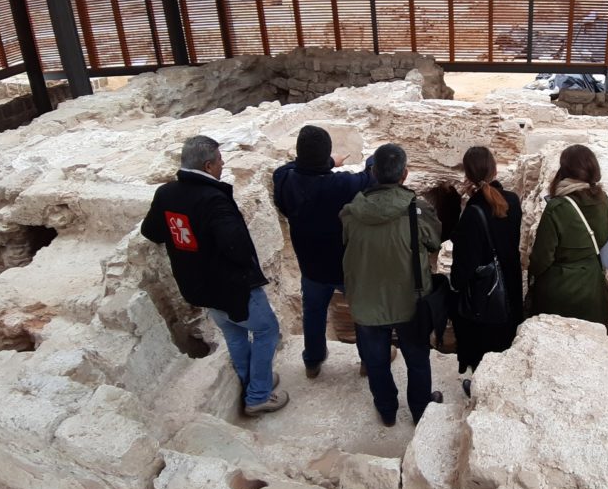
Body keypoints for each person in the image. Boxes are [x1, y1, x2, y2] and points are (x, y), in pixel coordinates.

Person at [141, 135, 288, 416]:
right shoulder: (213, 199)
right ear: (208, 166)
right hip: (231, 287)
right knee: (266, 329)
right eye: (220, 161)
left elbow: (151, 232)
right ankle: (258, 395)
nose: (223, 165)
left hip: (198, 286)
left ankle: (255, 381)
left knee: (234, 335)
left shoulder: (166, 193)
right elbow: (237, 247)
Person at [340, 143, 443, 426]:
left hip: (366, 300)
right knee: (417, 359)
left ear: (373, 172)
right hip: (409, 299)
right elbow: (434, 242)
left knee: (376, 361)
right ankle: (420, 410)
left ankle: (386, 411)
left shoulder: (351, 212)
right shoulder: (417, 209)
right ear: (405, 174)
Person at [273, 125, 374, 379]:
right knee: (362, 311)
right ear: (326, 154)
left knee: (314, 312)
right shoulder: (341, 185)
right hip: (344, 265)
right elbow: (370, 176)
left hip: (310, 264)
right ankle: (368, 360)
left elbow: (287, 168)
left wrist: (325, 163)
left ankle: (313, 361)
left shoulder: (284, 180)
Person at [449, 147, 523, 396]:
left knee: (483, 349)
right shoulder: (512, 200)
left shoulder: (472, 212)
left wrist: (455, 288)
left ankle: (482, 392)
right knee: (504, 344)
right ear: (495, 169)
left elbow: (464, 262)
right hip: (509, 286)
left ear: (467, 176)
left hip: (486, 296)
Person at [528, 144, 608, 324]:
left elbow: (542, 258)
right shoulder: (603, 200)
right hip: (592, 288)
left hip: (560, 290)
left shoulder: (557, 208)